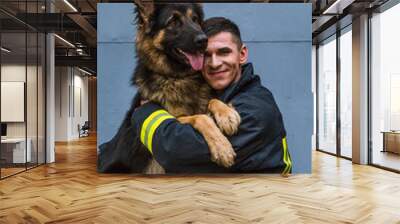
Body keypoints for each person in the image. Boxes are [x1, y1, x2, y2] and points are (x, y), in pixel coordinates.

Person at [131, 17, 292, 174]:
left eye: (224, 52)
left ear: (242, 54)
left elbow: (176, 152)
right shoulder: (211, 94)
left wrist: (144, 113)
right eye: (206, 55)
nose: (214, 63)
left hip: (264, 194)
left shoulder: (257, 109)